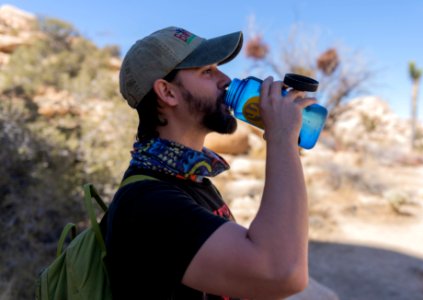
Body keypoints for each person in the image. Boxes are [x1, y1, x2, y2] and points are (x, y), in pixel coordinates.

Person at [105, 26, 316, 300]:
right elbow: (283, 272)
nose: (225, 79)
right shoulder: (146, 203)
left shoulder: (188, 179)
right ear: (168, 93)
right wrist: (282, 138)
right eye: (207, 71)